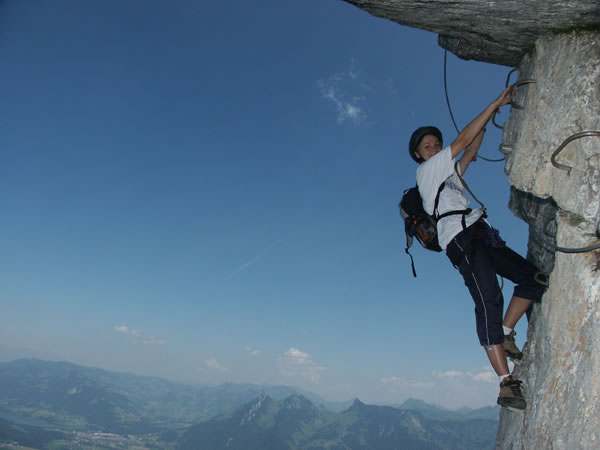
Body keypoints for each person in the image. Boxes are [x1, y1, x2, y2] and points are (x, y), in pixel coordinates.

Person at [408, 86, 545, 411]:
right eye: (427, 146)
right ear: (419, 155)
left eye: (436, 144)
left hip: (480, 232)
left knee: (532, 278)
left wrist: (486, 122)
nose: (434, 148)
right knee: (488, 300)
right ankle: (506, 382)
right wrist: (494, 103)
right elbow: (463, 142)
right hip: (460, 238)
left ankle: (507, 333)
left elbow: (471, 149)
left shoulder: (448, 174)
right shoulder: (427, 171)